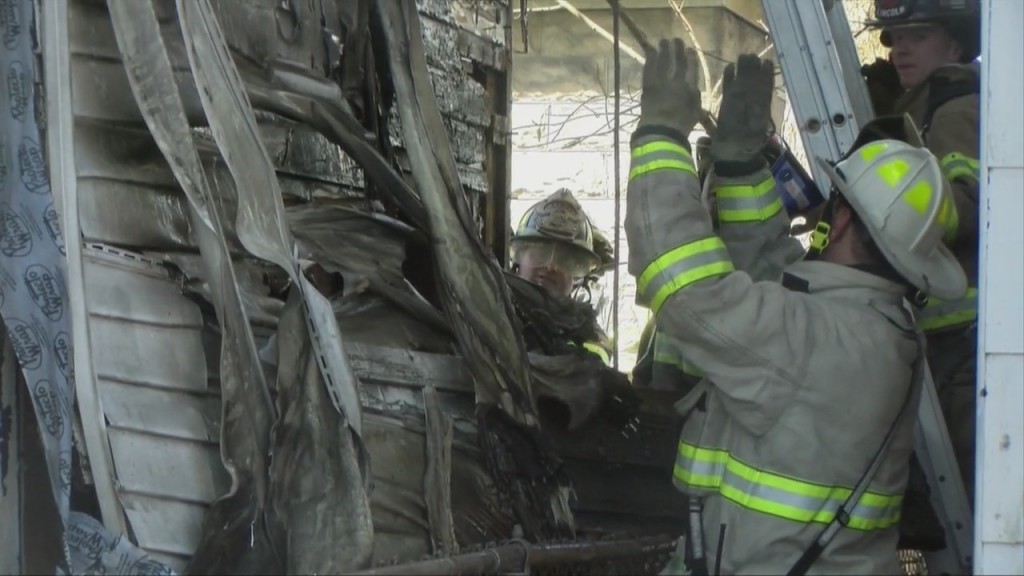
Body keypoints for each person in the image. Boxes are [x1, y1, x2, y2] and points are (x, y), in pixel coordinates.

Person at [627, 39, 967, 574]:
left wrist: (659, 136)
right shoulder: (874, 327)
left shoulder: (818, 341)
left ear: (847, 221)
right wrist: (739, 164)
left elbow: (685, 285)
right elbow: (773, 277)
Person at [863, 0, 982, 505]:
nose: (899, 49)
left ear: (955, 43)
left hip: (961, 343)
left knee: (963, 499)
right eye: (893, 39)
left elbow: (967, 207)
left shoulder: (957, 106)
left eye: (918, 35)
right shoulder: (923, 106)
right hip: (937, 336)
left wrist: (878, 210)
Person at [511, 188, 614, 364]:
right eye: (540, 253)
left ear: (578, 275)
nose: (551, 266)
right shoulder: (492, 309)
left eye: (565, 259)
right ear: (518, 258)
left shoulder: (590, 338)